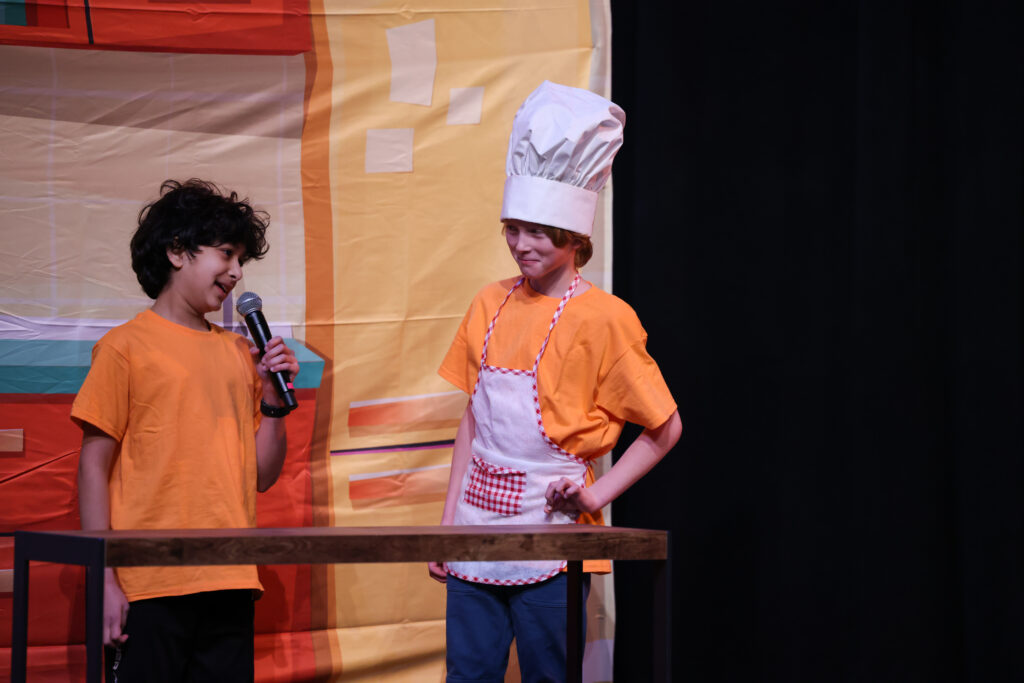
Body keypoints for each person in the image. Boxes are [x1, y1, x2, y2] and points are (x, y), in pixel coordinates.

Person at [428, 81, 682, 682]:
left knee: (550, 674)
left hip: (553, 535)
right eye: (512, 229)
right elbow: (474, 421)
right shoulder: (488, 303)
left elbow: (665, 426)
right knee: (468, 674)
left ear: (575, 237)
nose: (521, 245)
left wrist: (596, 496)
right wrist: (448, 524)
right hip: (476, 527)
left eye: (538, 232)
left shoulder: (605, 319)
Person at [73, 179, 299, 682]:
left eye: (242, 260)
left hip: (231, 577)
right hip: (148, 584)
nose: (236, 272)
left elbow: (262, 476)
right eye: (226, 253)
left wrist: (272, 400)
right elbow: (93, 466)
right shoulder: (125, 347)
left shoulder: (239, 353)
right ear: (177, 251)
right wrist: (104, 580)